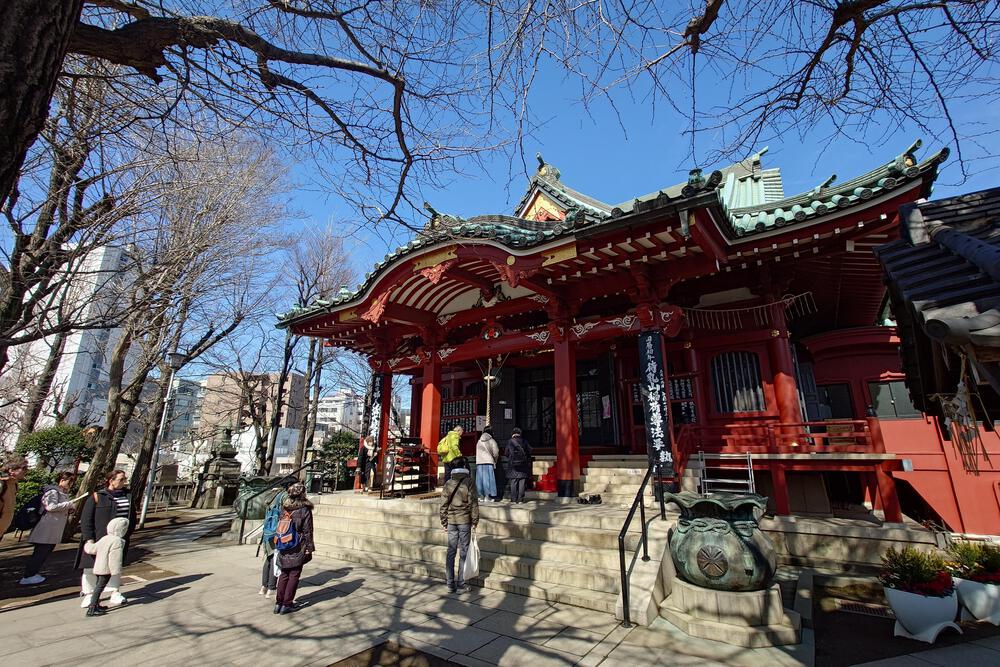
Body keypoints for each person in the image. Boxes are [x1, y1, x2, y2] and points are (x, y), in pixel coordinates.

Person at [76, 469, 131, 609]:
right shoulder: (98, 496)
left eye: (124, 479)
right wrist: (89, 538)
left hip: (119, 538)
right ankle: (89, 593)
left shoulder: (127, 496)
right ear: (111, 480)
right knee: (90, 567)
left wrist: (128, 532)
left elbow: (132, 515)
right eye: (121, 479)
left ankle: (114, 591)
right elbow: (86, 519)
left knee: (115, 566)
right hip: (98, 537)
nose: (124, 481)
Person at [20, 471, 77, 585]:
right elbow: (50, 507)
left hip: (53, 527)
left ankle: (33, 573)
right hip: (46, 526)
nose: (71, 484)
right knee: (40, 552)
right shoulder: (52, 492)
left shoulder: (61, 492)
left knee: (45, 551)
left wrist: (68, 508)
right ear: (62, 480)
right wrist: (68, 504)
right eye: (69, 481)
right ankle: (29, 575)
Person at [439, 456, 478, 593]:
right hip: (464, 520)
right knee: (464, 551)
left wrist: (444, 521)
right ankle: (461, 583)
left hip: (451, 520)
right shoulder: (469, 482)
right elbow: (473, 503)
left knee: (451, 550)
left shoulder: (448, 483)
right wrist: (475, 521)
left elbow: (443, 504)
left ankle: (450, 583)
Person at [274, 482, 314, 614]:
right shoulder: (304, 509)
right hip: (297, 544)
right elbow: (308, 530)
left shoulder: (285, 508)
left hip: (284, 542)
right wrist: (310, 547)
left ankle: (278, 603)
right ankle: (287, 603)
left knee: (284, 573)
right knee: (294, 574)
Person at [82, 517, 128, 617]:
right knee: (99, 588)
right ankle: (92, 608)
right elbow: (115, 558)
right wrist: (116, 571)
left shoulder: (105, 538)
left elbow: (92, 549)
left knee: (97, 586)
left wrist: (88, 544)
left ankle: (96, 605)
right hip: (106, 569)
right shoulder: (117, 541)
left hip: (98, 567)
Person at [259, 484, 289, 599]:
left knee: (268, 557)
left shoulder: (270, 496)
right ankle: (271, 587)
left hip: (267, 530)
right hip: (277, 530)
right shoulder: (283, 496)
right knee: (275, 558)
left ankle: (264, 586)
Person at [0, 454, 30, 539]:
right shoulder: (2, 483)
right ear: (11, 470)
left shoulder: (14, 484)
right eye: (24, 468)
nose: (26, 471)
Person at [504, 428, 532, 503]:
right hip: (523, 464)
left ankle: (513, 499)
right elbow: (530, 451)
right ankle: (520, 499)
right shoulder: (524, 441)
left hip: (513, 465)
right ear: (520, 433)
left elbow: (506, 453)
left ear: (512, 433)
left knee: (513, 481)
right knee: (522, 481)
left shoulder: (510, 442)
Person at [475, 427, 499, 502]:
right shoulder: (492, 441)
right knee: (488, 479)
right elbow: (496, 453)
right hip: (488, 461)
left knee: (480, 480)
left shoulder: (479, 441)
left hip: (480, 462)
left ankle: (480, 496)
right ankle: (487, 496)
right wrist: (495, 460)